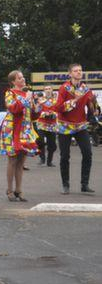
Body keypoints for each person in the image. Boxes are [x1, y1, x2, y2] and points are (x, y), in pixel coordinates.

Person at [0, 71, 38, 202]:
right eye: (19, 78)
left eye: (23, 77)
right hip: (12, 129)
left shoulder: (28, 94)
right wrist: (26, 99)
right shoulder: (10, 93)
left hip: (25, 129)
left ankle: (19, 190)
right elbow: (13, 109)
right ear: (13, 82)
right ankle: (9, 190)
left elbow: (31, 115)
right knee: (13, 160)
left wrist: (37, 108)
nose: (23, 79)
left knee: (21, 162)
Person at [54, 63, 94, 194]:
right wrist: (74, 100)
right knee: (65, 156)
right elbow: (58, 107)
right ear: (70, 74)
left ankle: (85, 184)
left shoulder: (85, 89)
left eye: (80, 70)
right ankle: (65, 185)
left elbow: (91, 105)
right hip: (65, 125)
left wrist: (94, 108)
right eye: (76, 71)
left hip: (80, 125)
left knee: (88, 153)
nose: (79, 72)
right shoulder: (64, 88)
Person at [35, 85, 58, 167]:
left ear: (52, 90)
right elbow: (37, 111)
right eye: (46, 89)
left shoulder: (56, 99)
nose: (48, 90)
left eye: (49, 89)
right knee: (40, 141)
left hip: (52, 125)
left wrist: (54, 114)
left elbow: (59, 111)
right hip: (42, 123)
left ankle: (49, 161)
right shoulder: (41, 100)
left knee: (52, 144)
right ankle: (42, 158)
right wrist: (39, 108)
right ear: (44, 91)